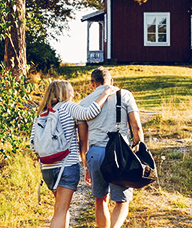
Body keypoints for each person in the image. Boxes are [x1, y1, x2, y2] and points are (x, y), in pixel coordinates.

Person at [31, 80, 119, 228]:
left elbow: (33, 144)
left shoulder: (41, 114)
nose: (73, 94)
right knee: (60, 211)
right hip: (66, 166)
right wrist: (105, 93)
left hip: (47, 168)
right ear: (63, 93)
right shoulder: (68, 107)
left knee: (62, 209)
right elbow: (89, 112)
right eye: (70, 90)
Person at [77, 67, 144, 228]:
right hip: (119, 155)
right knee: (122, 202)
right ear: (111, 81)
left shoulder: (84, 103)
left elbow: (82, 140)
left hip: (95, 154)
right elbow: (136, 128)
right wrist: (140, 155)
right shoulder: (125, 95)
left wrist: (86, 165)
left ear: (92, 83)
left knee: (100, 200)